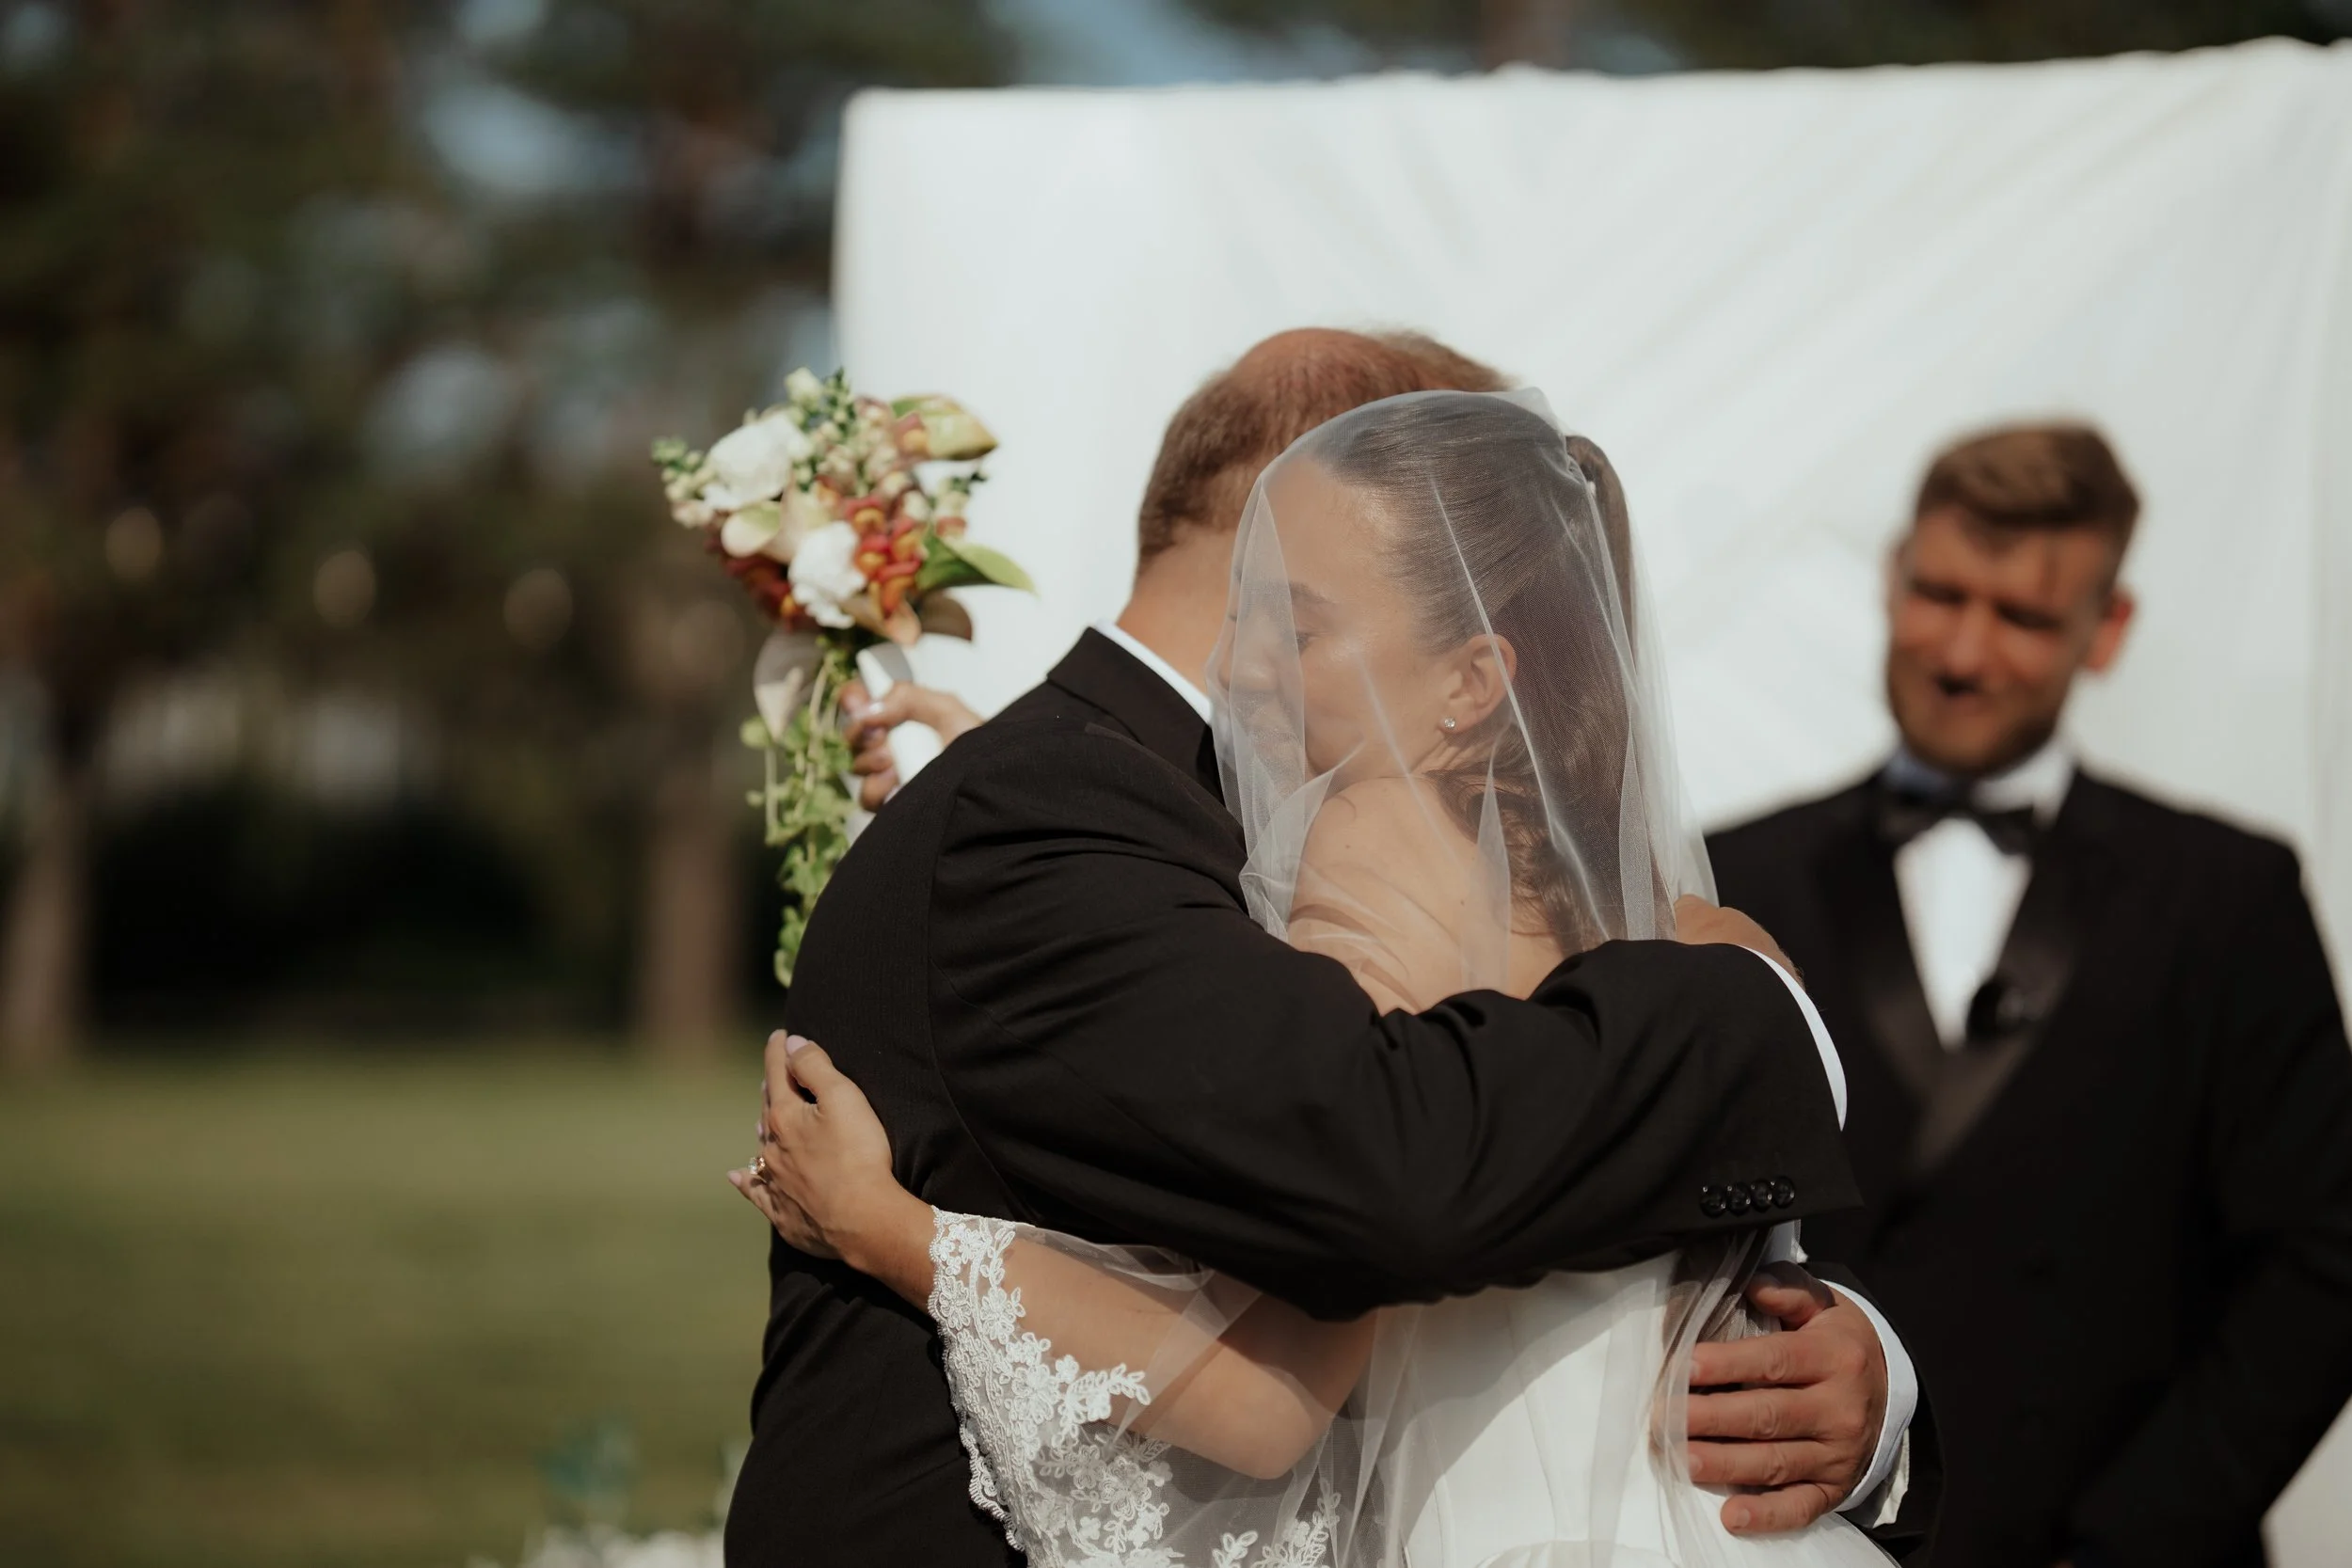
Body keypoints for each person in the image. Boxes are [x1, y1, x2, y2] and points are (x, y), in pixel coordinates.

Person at [720, 331, 1930, 1568]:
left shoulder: (1355, 852)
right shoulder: (1694, 920)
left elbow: (1287, 1360)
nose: (1244, 667)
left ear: (1471, 675)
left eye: (1291, 624)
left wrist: (899, 1233)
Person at [1708, 422, 2352, 1568]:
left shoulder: (2229, 896)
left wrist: (2128, 1540)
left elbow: (2323, 1260)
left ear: (2107, 632)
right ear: (1893, 578)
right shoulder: (1728, 878)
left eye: (2020, 616)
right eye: (1940, 593)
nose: (1963, 651)